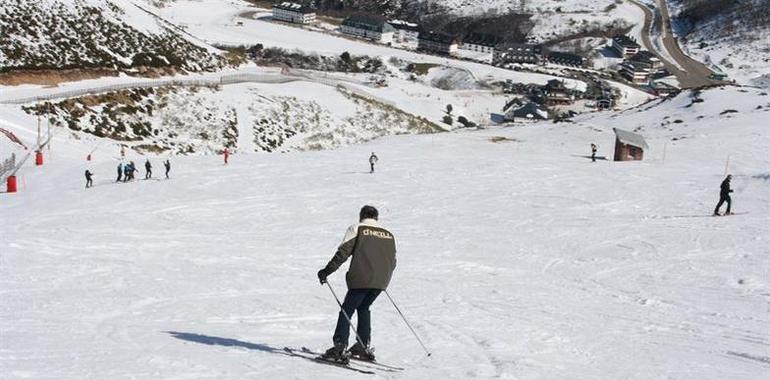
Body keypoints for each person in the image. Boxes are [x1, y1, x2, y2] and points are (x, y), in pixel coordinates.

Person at [317, 205, 397, 363]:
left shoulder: (357, 229)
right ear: (376, 218)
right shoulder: (389, 235)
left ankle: (340, 347)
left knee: (347, 310)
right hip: (382, 281)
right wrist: (381, 276)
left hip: (361, 279)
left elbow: (343, 253)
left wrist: (326, 271)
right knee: (364, 307)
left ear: (361, 216)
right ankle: (362, 345)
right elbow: (393, 261)